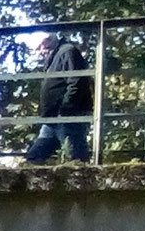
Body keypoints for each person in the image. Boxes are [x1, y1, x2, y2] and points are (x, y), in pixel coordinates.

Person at [23, 32, 93, 163]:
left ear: (48, 42)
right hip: (53, 118)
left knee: (75, 156)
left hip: (67, 115)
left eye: (39, 48)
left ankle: (85, 179)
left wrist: (66, 107)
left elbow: (77, 81)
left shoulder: (67, 52)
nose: (39, 52)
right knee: (34, 157)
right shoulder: (55, 56)